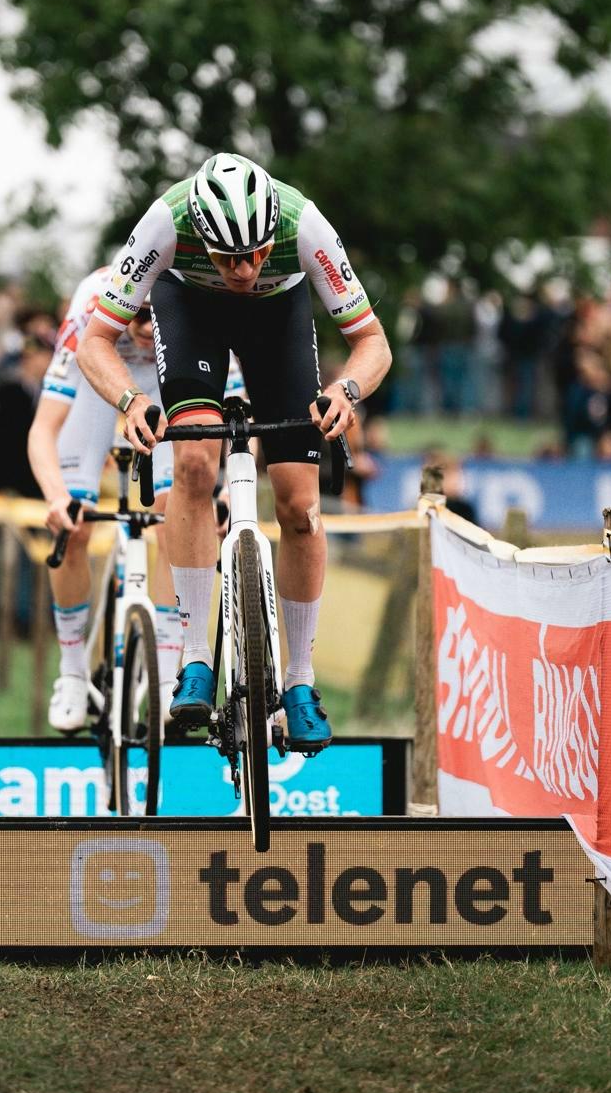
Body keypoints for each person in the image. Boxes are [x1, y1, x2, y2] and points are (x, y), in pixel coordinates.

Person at [77, 152, 392, 754]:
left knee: (299, 506)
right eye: (226, 256)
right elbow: (96, 340)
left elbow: (372, 341)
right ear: (200, 233)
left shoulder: (305, 225)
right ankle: (195, 656)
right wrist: (130, 400)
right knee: (195, 464)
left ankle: (300, 680)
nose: (243, 270)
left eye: (255, 253)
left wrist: (345, 391)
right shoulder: (165, 222)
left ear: (273, 233)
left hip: (279, 317)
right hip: (190, 309)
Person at [27, 270, 196, 732]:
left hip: (165, 382)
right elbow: (43, 430)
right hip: (98, 380)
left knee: (178, 517)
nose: (143, 327)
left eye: (155, 316)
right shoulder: (91, 308)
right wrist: (57, 498)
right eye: (136, 315)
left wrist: (217, 493)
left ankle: (167, 671)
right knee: (74, 525)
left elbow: (236, 404)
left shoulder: (194, 302)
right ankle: (72, 673)